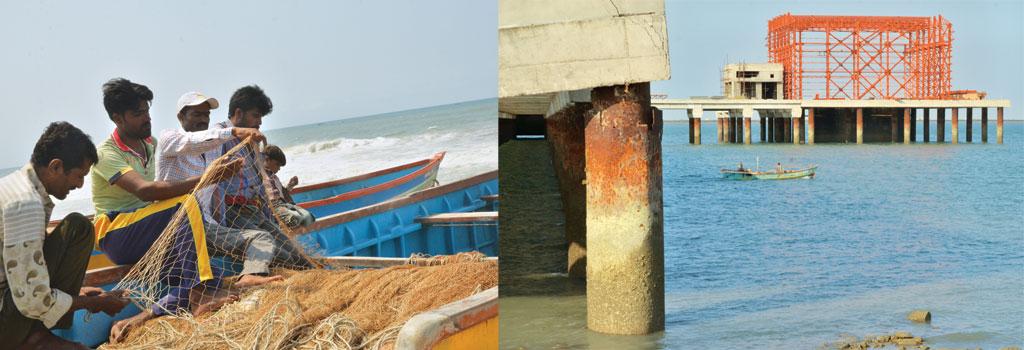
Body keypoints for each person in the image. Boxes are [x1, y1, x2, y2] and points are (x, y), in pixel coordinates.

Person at [89, 78, 241, 343]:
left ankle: (140, 317)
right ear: (117, 118)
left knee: (201, 275)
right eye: (138, 114)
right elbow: (146, 191)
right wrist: (209, 178)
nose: (147, 118)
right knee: (186, 202)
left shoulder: (150, 144)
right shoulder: (106, 153)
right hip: (117, 234)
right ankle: (201, 293)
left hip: (147, 230)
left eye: (147, 110)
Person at [0, 122, 130, 349]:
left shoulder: (17, 187)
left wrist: (79, 293)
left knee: (78, 226)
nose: (80, 185)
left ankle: (35, 335)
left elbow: (20, 273)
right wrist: (91, 303)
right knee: (78, 228)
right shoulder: (26, 204)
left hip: (11, 300)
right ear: (56, 166)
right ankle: (32, 339)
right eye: (79, 176)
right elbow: (32, 300)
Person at [158, 91, 290, 287]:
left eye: (206, 115)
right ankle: (249, 276)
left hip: (207, 223)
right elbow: (191, 143)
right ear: (180, 117)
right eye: (196, 114)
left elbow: (216, 191)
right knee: (265, 241)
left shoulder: (212, 151)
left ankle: (252, 274)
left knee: (273, 243)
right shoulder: (168, 138)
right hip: (177, 223)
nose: (203, 119)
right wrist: (235, 131)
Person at [215, 85, 314, 268]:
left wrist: (270, 218)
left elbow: (259, 184)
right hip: (233, 214)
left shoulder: (252, 140)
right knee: (284, 258)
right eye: (256, 115)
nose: (260, 122)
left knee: (298, 256)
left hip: (255, 211)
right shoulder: (218, 136)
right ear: (238, 113)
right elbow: (211, 185)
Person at [262, 145, 315, 228]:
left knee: (310, 218)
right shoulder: (260, 175)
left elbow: (282, 192)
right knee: (295, 219)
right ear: (267, 159)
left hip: (285, 205)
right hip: (273, 206)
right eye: (277, 164)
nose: (279, 169)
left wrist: (291, 185)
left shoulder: (275, 178)